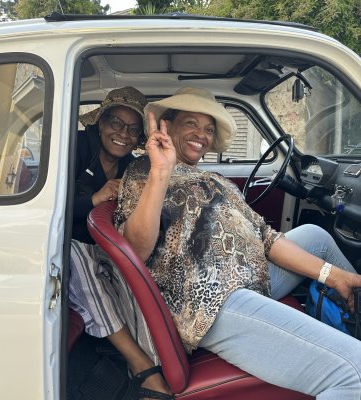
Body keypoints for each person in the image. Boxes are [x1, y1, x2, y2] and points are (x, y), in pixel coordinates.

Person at [114, 86, 361, 399]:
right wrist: (161, 173)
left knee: (315, 236)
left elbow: (264, 235)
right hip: (210, 301)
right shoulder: (145, 172)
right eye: (190, 123)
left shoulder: (210, 177)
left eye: (208, 129)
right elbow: (136, 249)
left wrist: (331, 274)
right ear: (168, 125)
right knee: (355, 373)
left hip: (246, 275)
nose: (200, 134)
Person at [69, 86, 172, 399]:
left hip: (108, 247)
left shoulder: (132, 166)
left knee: (138, 270)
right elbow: (49, 207)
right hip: (67, 247)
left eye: (132, 129)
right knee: (82, 261)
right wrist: (94, 199)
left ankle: (161, 359)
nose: (123, 134)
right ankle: (142, 366)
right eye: (115, 123)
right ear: (100, 123)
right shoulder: (74, 147)